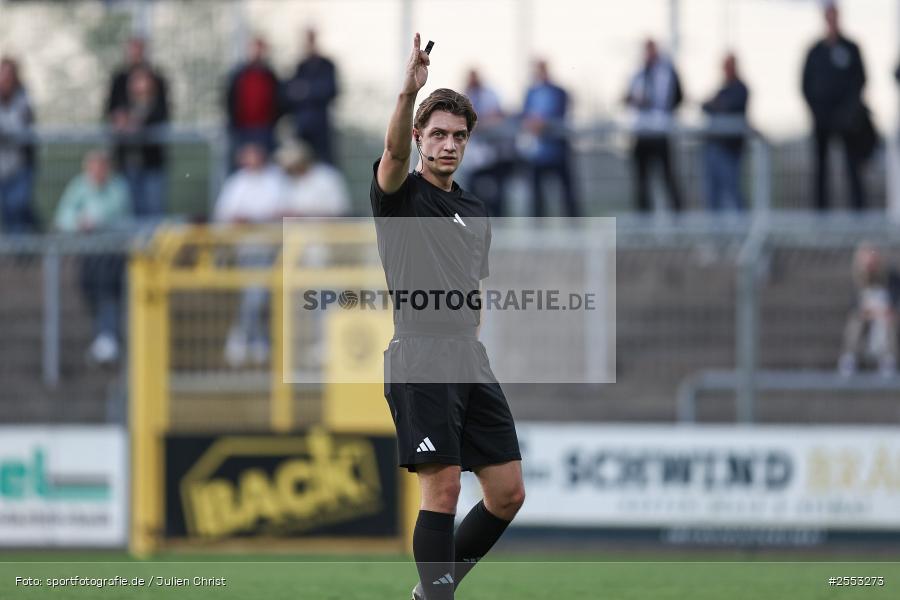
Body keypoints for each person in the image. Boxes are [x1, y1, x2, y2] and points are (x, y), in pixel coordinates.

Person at [371, 34, 524, 600]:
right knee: (442, 492)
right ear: (419, 137)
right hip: (420, 353)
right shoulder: (401, 196)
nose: (448, 144)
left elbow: (473, 293)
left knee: (507, 492)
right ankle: (437, 597)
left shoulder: (476, 209)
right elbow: (391, 157)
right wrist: (408, 92)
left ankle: (429, 592)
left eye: (458, 136)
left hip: (467, 357)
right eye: (437, 134)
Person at [54, 150, 130, 365]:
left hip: (112, 254)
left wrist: (93, 221)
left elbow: (115, 212)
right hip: (88, 255)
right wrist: (78, 222)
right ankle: (104, 335)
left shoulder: (118, 187)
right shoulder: (79, 186)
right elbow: (63, 215)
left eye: (102, 167)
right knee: (90, 291)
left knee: (107, 293)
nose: (98, 172)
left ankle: (108, 337)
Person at [214, 142, 285, 368]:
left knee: (256, 295)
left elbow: (280, 213)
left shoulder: (275, 180)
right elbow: (224, 216)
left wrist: (255, 221)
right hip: (244, 250)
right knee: (254, 295)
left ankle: (246, 339)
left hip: (272, 250)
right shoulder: (236, 182)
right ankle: (252, 340)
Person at [802, 2, 869, 211]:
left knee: (852, 167)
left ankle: (858, 214)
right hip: (822, 120)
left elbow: (861, 80)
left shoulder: (851, 48)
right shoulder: (815, 51)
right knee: (821, 169)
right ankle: (820, 215)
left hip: (848, 121)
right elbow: (805, 85)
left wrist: (848, 112)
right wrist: (817, 111)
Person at [624, 39, 684, 213]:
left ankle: (678, 216)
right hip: (641, 132)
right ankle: (643, 217)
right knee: (641, 179)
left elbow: (678, 97)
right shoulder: (638, 74)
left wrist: (660, 107)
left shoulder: (668, 72)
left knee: (667, 176)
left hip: (660, 132)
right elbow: (626, 97)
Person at [521, 59, 579, 217]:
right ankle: (538, 226)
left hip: (558, 148)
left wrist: (544, 123)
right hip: (537, 151)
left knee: (567, 192)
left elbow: (561, 113)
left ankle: (573, 223)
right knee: (537, 194)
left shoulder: (559, 91)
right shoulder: (530, 93)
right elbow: (524, 115)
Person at [110, 65, 169, 220]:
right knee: (130, 209)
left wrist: (137, 123)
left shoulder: (157, 104)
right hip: (127, 165)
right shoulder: (123, 104)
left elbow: (158, 120)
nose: (140, 84)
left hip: (151, 165)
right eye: (136, 80)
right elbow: (115, 122)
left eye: (143, 80)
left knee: (153, 208)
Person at [838, 244, 899, 377]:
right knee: (855, 322)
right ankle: (849, 358)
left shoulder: (891, 276)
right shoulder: (857, 277)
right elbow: (855, 303)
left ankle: (888, 358)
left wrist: (886, 310)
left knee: (889, 321)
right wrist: (867, 312)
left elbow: (894, 298)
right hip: (866, 314)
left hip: (885, 312)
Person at [701, 53, 750, 212]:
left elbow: (729, 106)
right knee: (713, 194)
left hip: (730, 150)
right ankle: (716, 227)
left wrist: (717, 105)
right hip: (715, 147)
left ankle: (741, 224)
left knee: (732, 191)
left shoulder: (740, 89)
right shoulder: (723, 90)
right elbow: (706, 106)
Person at [224, 36, 282, 170]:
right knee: (240, 166)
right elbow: (230, 99)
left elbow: (278, 100)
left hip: (265, 128)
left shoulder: (270, 75)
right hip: (242, 129)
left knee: (266, 166)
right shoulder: (239, 74)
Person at [463, 68, 513, 217]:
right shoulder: (465, 97)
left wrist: (481, 124)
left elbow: (496, 117)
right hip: (474, 154)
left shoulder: (490, 95)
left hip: (494, 151)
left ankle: (498, 216)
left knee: (497, 189)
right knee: (473, 187)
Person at [284, 28, 338, 164]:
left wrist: (306, 90)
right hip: (302, 125)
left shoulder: (326, 65)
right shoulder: (299, 67)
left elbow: (329, 90)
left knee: (324, 163)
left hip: (321, 126)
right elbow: (289, 93)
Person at [0, 56, 37, 233]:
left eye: (9, 74)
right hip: (2, 167)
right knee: (8, 210)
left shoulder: (24, 98)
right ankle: (35, 235)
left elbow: (20, 127)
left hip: (20, 165)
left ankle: (28, 241)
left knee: (17, 205)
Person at [278, 140, 349, 217]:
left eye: (294, 166)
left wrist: (305, 214)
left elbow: (338, 209)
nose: (292, 170)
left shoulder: (326, 177)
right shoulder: (286, 180)